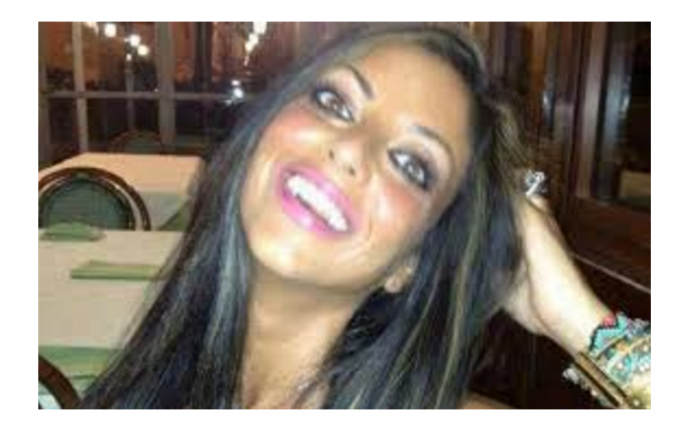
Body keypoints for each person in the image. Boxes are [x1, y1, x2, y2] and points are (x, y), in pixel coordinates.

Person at [79, 24, 650, 409]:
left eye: (411, 164)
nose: (352, 148)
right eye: (334, 102)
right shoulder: (157, 376)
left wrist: (574, 319)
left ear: (408, 263)